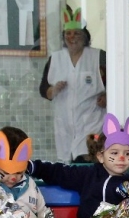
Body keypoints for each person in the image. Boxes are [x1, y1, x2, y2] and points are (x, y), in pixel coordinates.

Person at [28, 113, 129, 218]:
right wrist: (33, 167)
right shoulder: (88, 175)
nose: (121, 158)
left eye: (127, 154)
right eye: (114, 153)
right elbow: (59, 172)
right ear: (101, 156)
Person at [38, 5, 106, 163]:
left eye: (77, 33)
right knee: (69, 167)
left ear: (85, 36)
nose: (72, 37)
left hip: (93, 124)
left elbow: (114, 85)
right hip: (65, 127)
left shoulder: (98, 57)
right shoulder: (55, 59)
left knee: (90, 162)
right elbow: (43, 89)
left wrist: (107, 98)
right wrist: (53, 90)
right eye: (68, 33)